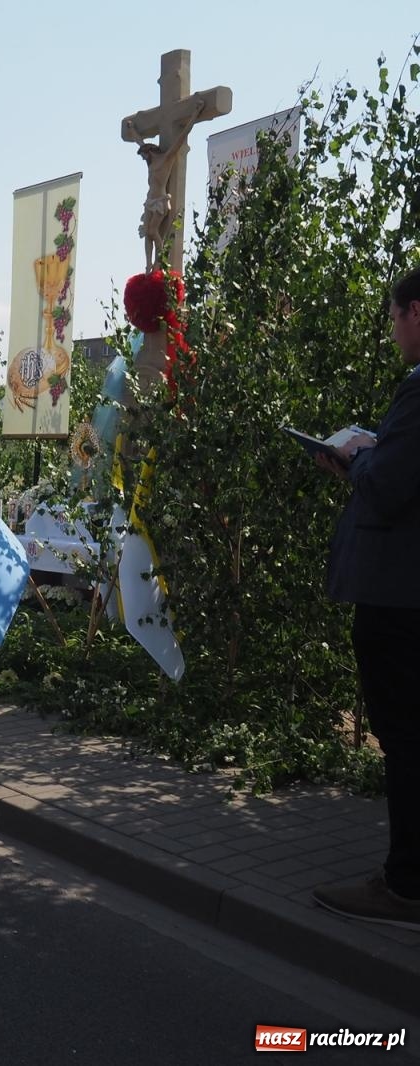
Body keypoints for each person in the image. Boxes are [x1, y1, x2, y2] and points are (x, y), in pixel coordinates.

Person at [312, 266, 420, 931]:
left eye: (394, 317)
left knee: (405, 739)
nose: (393, 331)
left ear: (416, 313)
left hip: (400, 599)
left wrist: (355, 458)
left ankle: (404, 885)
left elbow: (391, 485)